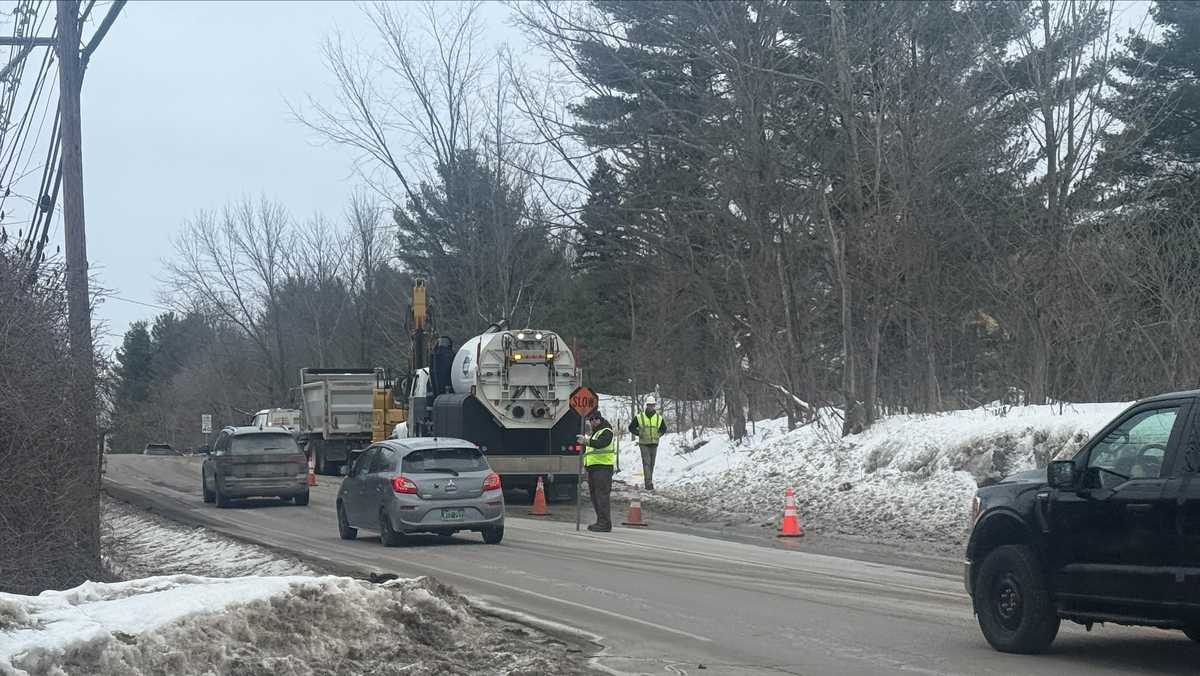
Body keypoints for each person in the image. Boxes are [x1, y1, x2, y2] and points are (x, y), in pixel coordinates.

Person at [577, 410, 616, 532]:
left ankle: (604, 523)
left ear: (600, 419)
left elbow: (601, 444)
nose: (593, 421)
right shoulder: (595, 433)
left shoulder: (606, 432)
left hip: (603, 468)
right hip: (594, 468)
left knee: (601, 496)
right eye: (591, 419)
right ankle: (601, 521)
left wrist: (586, 441)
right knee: (595, 497)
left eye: (595, 419)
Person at [628, 395, 666, 490]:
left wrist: (659, 435)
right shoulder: (640, 417)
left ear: (654, 406)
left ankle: (649, 481)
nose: (651, 407)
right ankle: (648, 483)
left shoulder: (659, 418)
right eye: (649, 405)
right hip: (644, 443)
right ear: (646, 405)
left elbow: (664, 429)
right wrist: (639, 433)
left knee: (651, 464)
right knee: (647, 463)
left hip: (654, 443)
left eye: (653, 405)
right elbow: (631, 427)